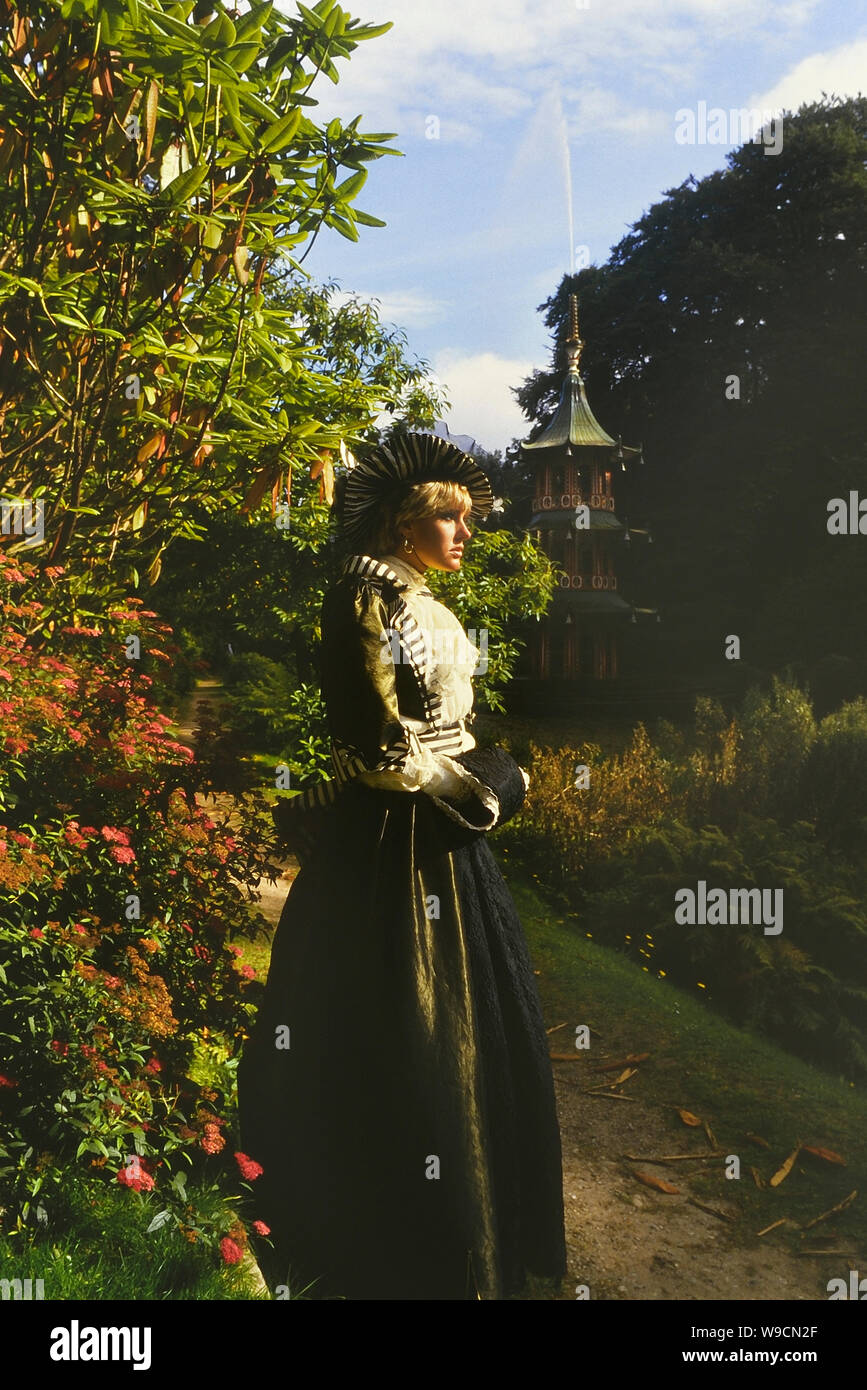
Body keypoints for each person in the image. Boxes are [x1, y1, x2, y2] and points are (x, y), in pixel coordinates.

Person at [238, 432, 566, 1300]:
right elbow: (379, 748)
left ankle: (463, 1239)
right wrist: (482, 790)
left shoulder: (422, 600)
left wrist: (490, 772)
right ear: (402, 522)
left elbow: (441, 726)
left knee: (466, 1030)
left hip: (441, 844)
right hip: (392, 843)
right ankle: (389, 1249)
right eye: (449, 519)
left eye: (466, 518)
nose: (465, 533)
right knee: (399, 1030)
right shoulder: (361, 594)